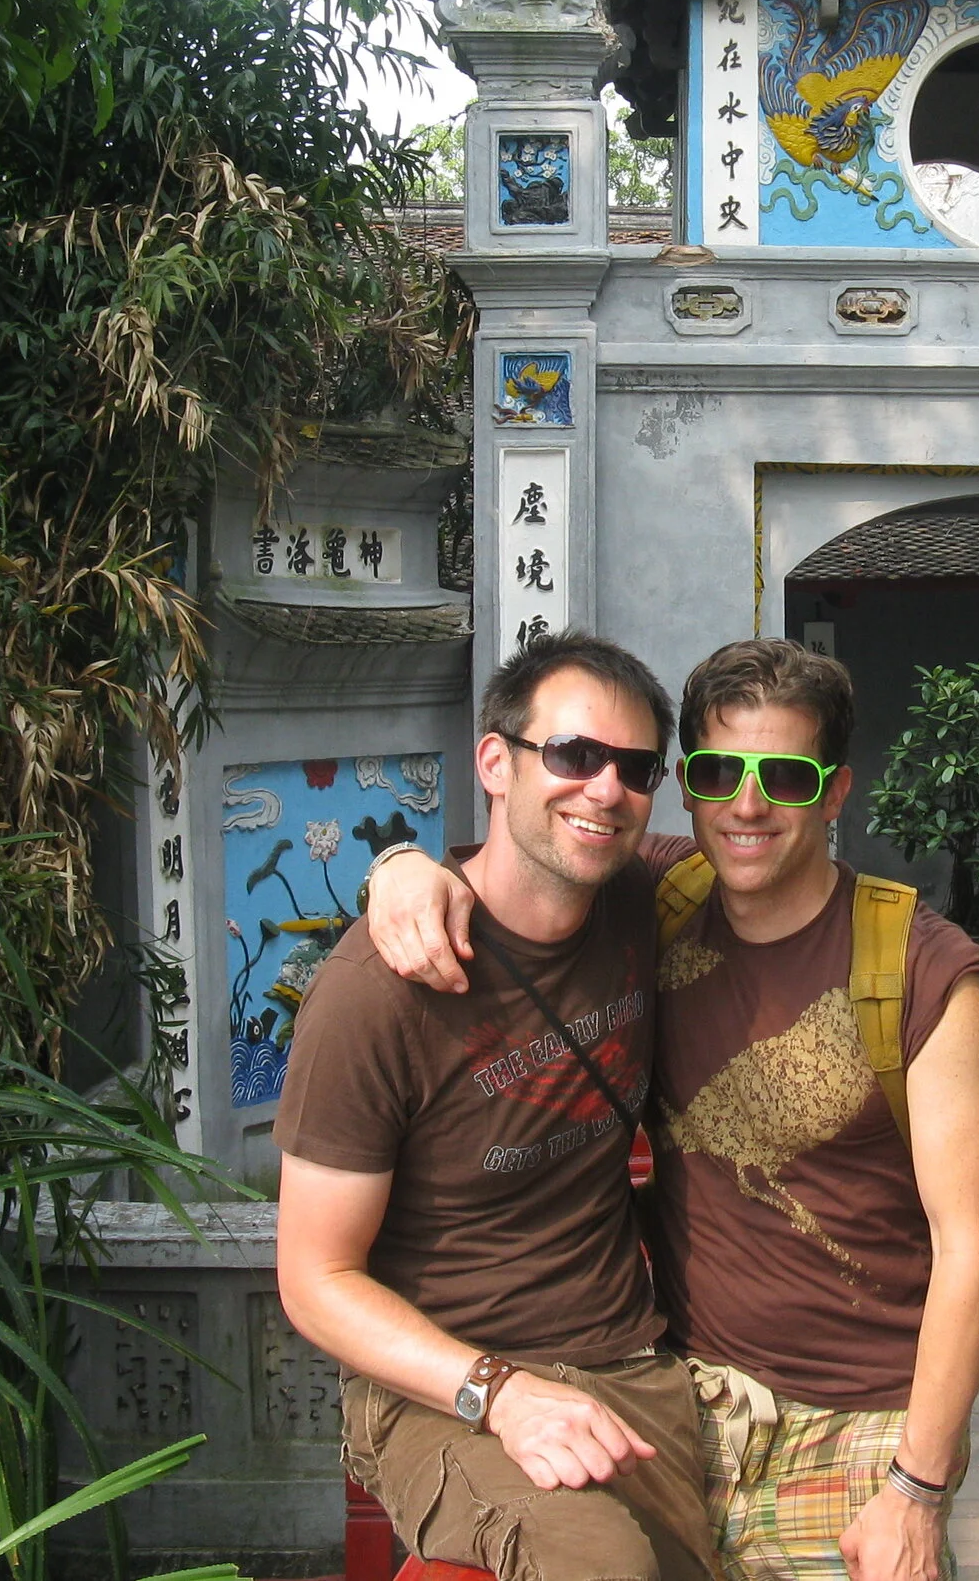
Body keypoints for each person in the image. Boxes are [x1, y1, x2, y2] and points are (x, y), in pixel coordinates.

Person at [364, 638, 979, 1581]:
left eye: (785, 776)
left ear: (833, 792)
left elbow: (974, 1244)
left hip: (857, 1426)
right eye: (720, 773)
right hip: (676, 1403)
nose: (748, 806)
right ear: (687, 787)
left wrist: (918, 1487)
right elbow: (522, 863)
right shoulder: (658, 896)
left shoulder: (918, 969)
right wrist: (397, 867)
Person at [272, 632, 717, 1581]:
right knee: (598, 1570)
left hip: (630, 1364)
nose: (605, 789)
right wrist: (500, 1392)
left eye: (636, 769)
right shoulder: (376, 989)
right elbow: (313, 1278)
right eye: (572, 754)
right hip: (447, 1383)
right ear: (494, 762)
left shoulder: (641, 892)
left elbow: (774, 857)